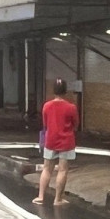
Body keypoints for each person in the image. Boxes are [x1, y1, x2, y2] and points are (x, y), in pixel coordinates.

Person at [34, 78, 79, 206]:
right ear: (65, 91)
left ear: (53, 90)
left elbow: (45, 124)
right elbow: (76, 125)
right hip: (66, 142)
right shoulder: (71, 107)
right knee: (62, 170)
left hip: (50, 140)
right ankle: (57, 199)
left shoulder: (46, 106)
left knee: (47, 168)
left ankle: (41, 196)